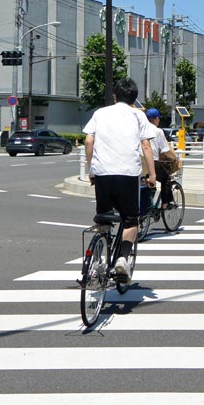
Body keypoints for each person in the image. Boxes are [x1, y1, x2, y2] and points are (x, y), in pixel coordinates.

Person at [83, 78, 157, 285]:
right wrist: (152, 175)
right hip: (127, 174)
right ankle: (123, 258)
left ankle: (98, 260)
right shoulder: (138, 115)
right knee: (130, 219)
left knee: (103, 218)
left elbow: (89, 140)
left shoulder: (100, 113)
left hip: (103, 174)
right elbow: (147, 147)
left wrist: (92, 169)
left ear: (115, 96)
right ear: (134, 98)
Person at [145, 108, 179, 208]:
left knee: (145, 181)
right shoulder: (157, 131)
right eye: (158, 118)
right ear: (155, 119)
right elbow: (166, 150)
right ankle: (165, 204)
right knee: (166, 179)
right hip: (152, 162)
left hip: (137, 162)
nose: (159, 120)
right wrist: (175, 157)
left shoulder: (139, 129)